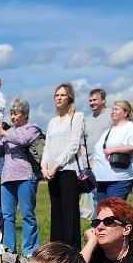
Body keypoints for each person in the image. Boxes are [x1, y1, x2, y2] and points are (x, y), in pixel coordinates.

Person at [0, 98, 43, 255]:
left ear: (25, 114)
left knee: (27, 215)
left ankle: (30, 250)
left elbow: (23, 141)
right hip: (7, 178)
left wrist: (2, 132)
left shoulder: (32, 128)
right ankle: (8, 250)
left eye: (16, 114)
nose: (12, 117)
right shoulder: (8, 132)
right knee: (7, 216)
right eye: (11, 114)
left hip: (25, 176)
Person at [41, 83, 88, 249]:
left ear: (70, 98)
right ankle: (57, 250)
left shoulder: (77, 116)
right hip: (52, 173)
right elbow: (47, 146)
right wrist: (44, 166)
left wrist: (56, 165)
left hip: (68, 171)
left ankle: (71, 251)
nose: (59, 98)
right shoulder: (52, 122)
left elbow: (73, 145)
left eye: (62, 95)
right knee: (56, 213)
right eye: (56, 95)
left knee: (69, 214)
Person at [90, 99, 133, 204]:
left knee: (113, 209)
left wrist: (112, 149)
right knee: (102, 210)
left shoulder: (132, 128)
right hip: (102, 177)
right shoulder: (109, 130)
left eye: (116, 109)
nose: (113, 111)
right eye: (112, 109)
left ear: (125, 113)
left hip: (120, 178)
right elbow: (99, 150)